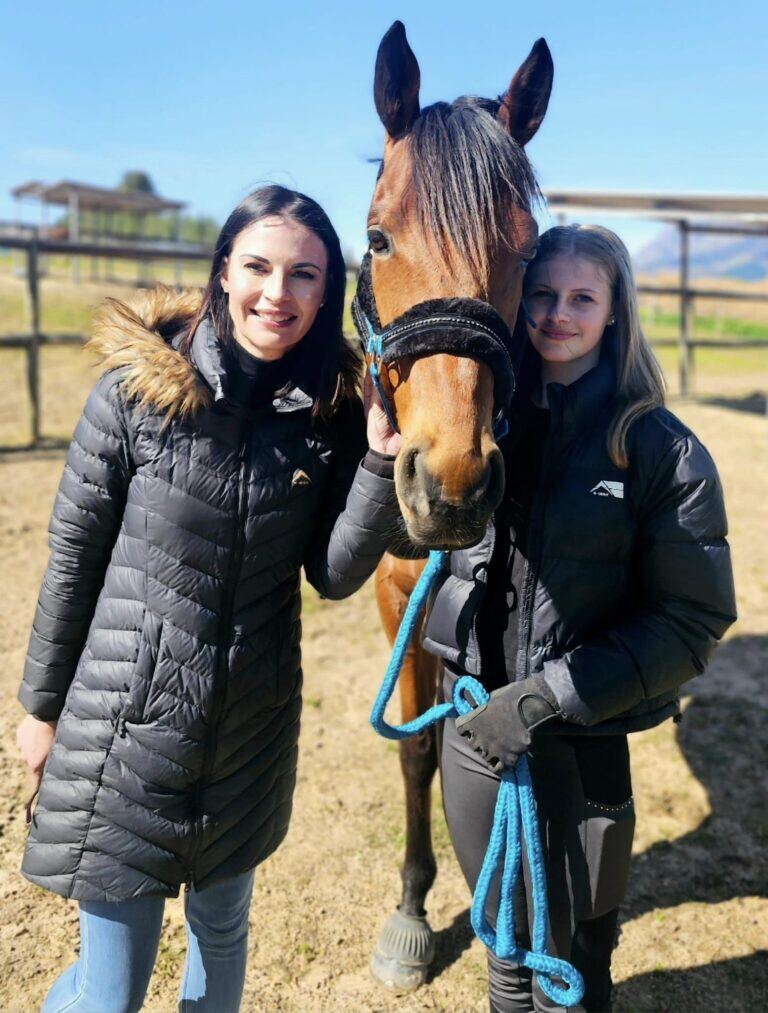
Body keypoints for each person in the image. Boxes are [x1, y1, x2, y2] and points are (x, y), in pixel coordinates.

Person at [15, 184, 401, 1013]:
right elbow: (73, 561)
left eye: (304, 274)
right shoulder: (136, 395)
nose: (277, 293)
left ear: (327, 292)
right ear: (223, 271)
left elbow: (333, 574)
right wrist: (41, 710)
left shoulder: (327, 414)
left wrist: (375, 461)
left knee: (222, 935)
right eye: (258, 266)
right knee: (110, 993)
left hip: (248, 736)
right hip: (126, 732)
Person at [418, 225, 737, 1012]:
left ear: (615, 310)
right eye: (542, 294)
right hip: (473, 727)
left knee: (579, 956)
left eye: (582, 298)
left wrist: (543, 696)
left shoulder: (659, 450)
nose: (558, 313)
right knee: (505, 947)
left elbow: (691, 619)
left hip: (580, 735)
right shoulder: (480, 430)